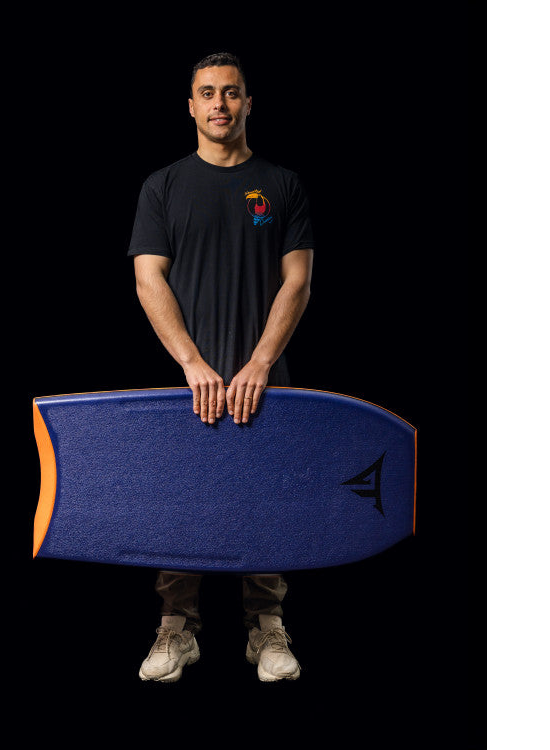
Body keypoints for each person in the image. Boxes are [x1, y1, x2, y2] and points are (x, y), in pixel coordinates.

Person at [127, 52, 314, 683]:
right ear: (191, 106)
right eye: (207, 93)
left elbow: (298, 280)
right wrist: (191, 361)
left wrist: (261, 360)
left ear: (248, 103)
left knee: (263, 499)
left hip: (265, 380)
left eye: (231, 93)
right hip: (186, 382)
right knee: (182, 500)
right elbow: (148, 278)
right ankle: (176, 630)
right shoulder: (163, 186)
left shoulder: (282, 184)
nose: (219, 104)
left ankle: (267, 629)